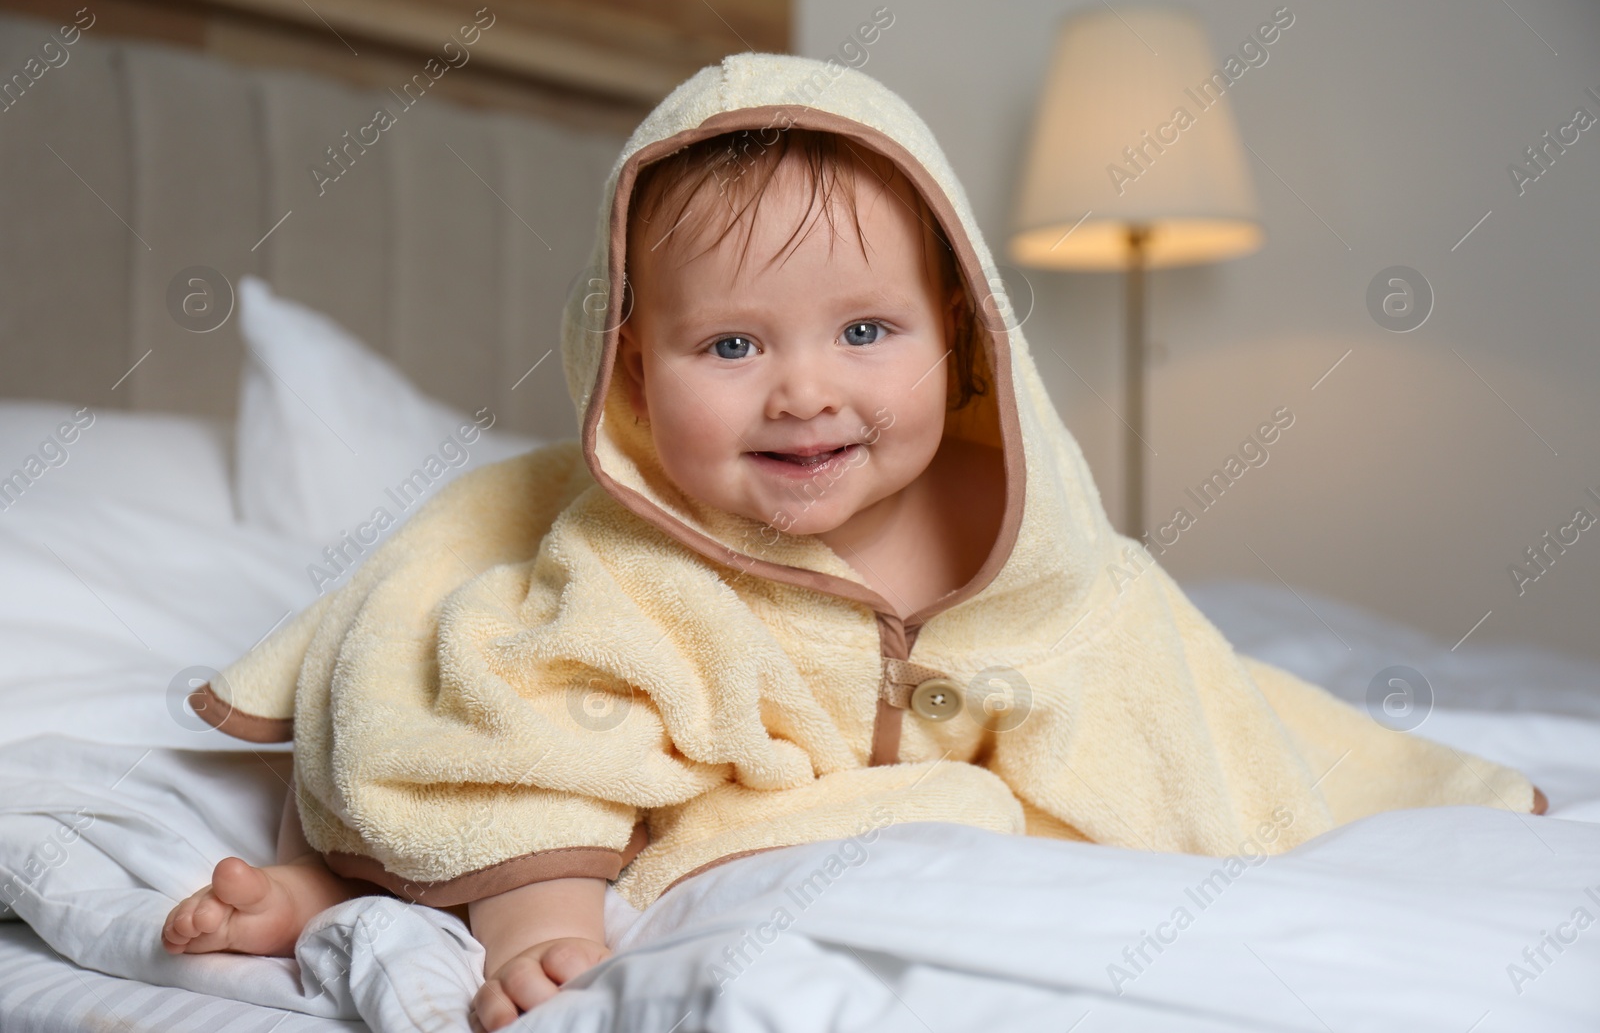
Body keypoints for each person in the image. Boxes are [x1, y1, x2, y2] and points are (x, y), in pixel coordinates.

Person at [162, 53, 1547, 1032]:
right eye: (732, 343)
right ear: (637, 374)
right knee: (490, 761)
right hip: (660, 801)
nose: (804, 390)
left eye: (864, 331)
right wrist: (544, 928)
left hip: (873, 811)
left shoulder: (1038, 564)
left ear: (959, 340)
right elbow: (517, 731)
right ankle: (353, 892)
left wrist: (1424, 782)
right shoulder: (638, 568)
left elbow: (1201, 718)